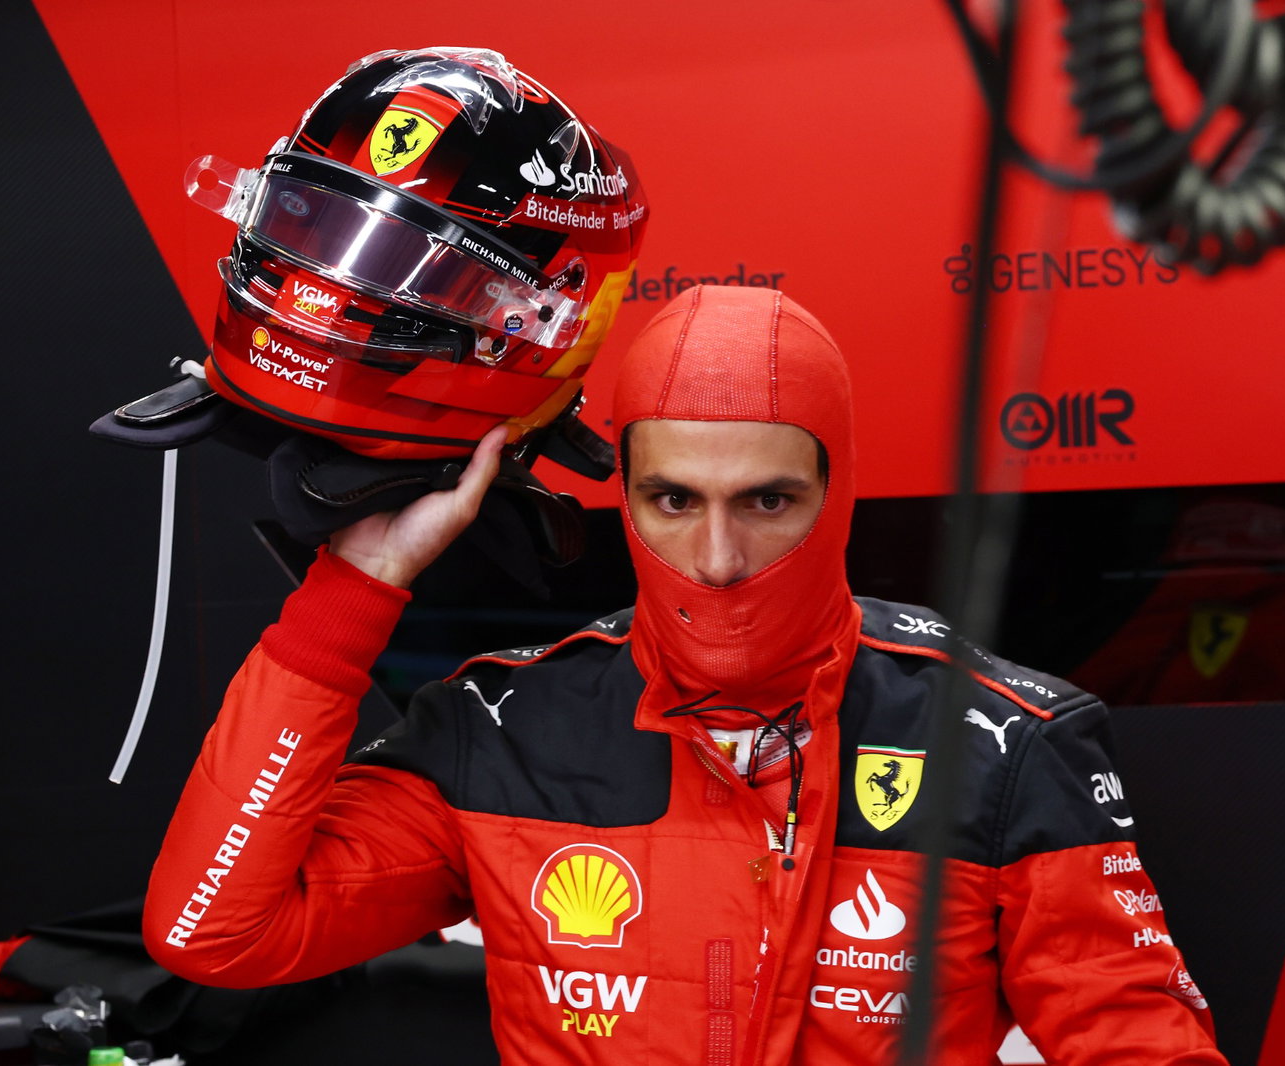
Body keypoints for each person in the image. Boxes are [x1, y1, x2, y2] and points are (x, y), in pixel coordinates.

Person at [143, 284, 1228, 1064]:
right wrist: (354, 588)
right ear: (625, 495)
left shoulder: (1001, 740)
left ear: (836, 493)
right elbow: (212, 932)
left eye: (767, 501)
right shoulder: (502, 729)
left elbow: (1142, 1044)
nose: (716, 557)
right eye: (673, 501)